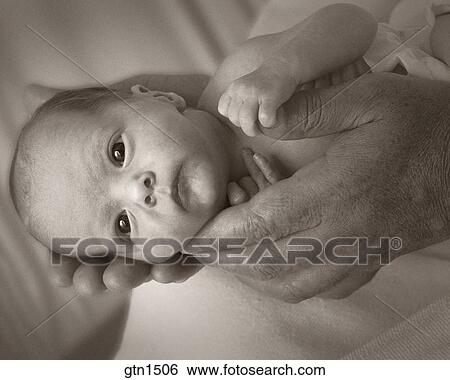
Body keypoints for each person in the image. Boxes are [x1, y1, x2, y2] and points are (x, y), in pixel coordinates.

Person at [11, 3, 450, 297]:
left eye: (119, 153)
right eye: (123, 223)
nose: (138, 190)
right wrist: (301, 247)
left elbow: (353, 20)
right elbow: (342, 277)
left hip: (426, 57)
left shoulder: (241, 81)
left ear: (160, 98)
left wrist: (285, 67)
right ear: (154, 255)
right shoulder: (243, 237)